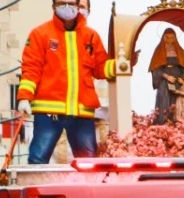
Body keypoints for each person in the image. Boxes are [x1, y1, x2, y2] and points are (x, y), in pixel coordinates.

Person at [18, 0, 115, 164]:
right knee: (38, 159)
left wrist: (119, 66)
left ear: (78, 6)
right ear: (53, 7)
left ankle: (88, 190)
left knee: (89, 163)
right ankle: (37, 189)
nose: (67, 8)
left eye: (70, 3)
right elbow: (31, 68)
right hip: (49, 110)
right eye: (62, 3)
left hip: (81, 111)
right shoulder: (40, 34)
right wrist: (24, 97)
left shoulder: (91, 36)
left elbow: (100, 68)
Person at [149, 29, 184, 124]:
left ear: (175, 38)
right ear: (163, 38)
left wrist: (182, 78)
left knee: (176, 102)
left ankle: (176, 122)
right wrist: (166, 76)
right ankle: (163, 123)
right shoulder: (159, 50)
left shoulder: (179, 50)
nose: (169, 40)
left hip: (176, 80)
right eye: (167, 37)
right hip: (164, 81)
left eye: (171, 37)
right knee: (163, 101)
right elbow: (155, 69)